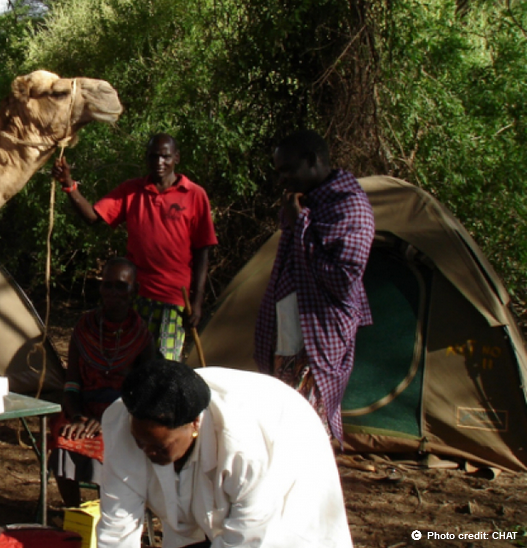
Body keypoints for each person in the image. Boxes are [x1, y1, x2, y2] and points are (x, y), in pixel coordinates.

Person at [97, 359, 353, 548]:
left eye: (158, 447)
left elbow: (248, 533)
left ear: (194, 425)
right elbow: (117, 524)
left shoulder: (242, 446)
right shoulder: (121, 424)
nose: (145, 451)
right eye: (140, 442)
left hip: (287, 439)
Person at [253, 129, 374, 442]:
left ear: (312, 161)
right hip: (289, 330)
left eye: (288, 170)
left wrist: (302, 224)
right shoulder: (303, 202)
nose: (282, 180)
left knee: (307, 415)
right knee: (281, 408)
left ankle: (308, 475)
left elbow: (344, 280)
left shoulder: (350, 207)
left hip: (318, 331)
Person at [52, 134, 217, 361]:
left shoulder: (195, 195)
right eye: (153, 156)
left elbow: (203, 251)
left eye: (165, 156)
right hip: (134, 296)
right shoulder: (132, 191)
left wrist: (197, 303)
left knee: (164, 366)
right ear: (146, 159)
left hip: (174, 299)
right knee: (129, 361)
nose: (159, 162)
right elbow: (92, 216)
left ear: (176, 158)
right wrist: (68, 185)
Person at [52, 257, 153, 509]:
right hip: (83, 412)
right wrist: (76, 417)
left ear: (134, 291)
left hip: (124, 416)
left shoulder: (141, 337)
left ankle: (108, 514)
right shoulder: (84, 329)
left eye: (121, 286)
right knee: (64, 438)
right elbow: (71, 385)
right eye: (107, 285)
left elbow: (144, 395)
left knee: (105, 444)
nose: (113, 293)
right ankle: (74, 514)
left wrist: (110, 420)